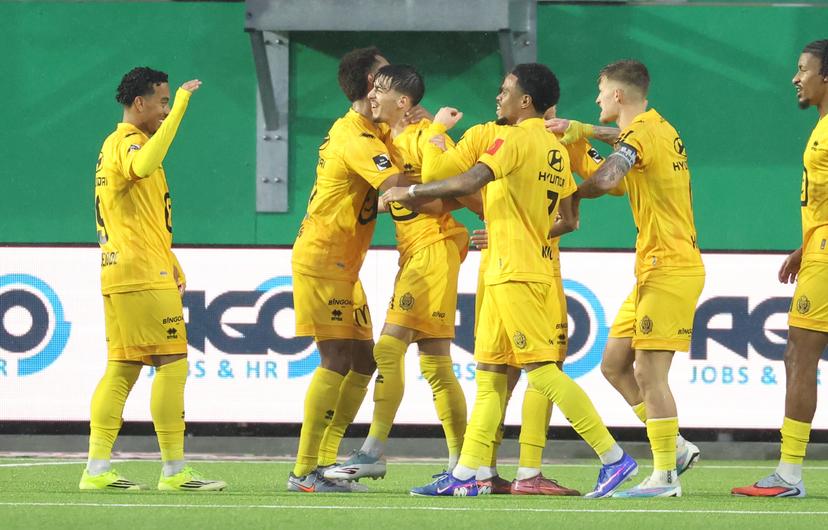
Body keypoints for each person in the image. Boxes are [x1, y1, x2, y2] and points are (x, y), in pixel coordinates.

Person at [382, 63, 637, 498]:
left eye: (505, 90)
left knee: (541, 371)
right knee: (489, 376)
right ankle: (466, 475)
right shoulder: (555, 148)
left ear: (525, 101)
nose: (498, 96)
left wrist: (410, 191)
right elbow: (568, 217)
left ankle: (614, 458)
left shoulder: (513, 137)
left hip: (515, 271)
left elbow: (469, 179)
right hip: (517, 265)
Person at [80, 67, 225, 491]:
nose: (164, 109)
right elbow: (144, 166)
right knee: (172, 364)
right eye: (160, 101)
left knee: (122, 367)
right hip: (140, 272)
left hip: (127, 268)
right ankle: (175, 471)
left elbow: (139, 214)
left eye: (168, 102)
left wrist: (169, 256)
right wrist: (182, 105)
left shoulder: (115, 143)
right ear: (140, 103)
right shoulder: (129, 141)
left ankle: (97, 469)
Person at [323, 64, 469, 483]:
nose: (373, 94)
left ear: (403, 102)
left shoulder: (425, 137)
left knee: (387, 350)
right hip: (418, 252)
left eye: (381, 89)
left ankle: (373, 451)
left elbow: (468, 189)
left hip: (432, 249)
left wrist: (424, 200)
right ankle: (465, 462)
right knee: (437, 365)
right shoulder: (388, 138)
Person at [571, 60, 705, 498]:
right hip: (653, 267)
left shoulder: (641, 134)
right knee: (613, 363)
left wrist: (570, 195)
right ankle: (676, 447)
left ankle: (665, 475)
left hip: (670, 267)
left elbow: (609, 175)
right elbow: (619, 163)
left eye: (601, 92)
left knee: (649, 372)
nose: (597, 100)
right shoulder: (656, 128)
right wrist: (579, 133)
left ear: (618, 96)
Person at [288, 47, 415, 493]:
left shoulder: (372, 132)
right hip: (323, 258)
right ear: (371, 87)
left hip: (344, 262)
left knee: (363, 361)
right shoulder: (356, 137)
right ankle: (304, 471)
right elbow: (396, 186)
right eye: (386, 76)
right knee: (337, 358)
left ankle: (326, 463)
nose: (394, 81)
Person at [732, 39, 828, 498]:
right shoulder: (821, 127)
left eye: (803, 69)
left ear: (826, 76)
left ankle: (789, 474)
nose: (795, 77)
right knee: (798, 355)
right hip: (818, 248)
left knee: (799, 355)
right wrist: (804, 245)